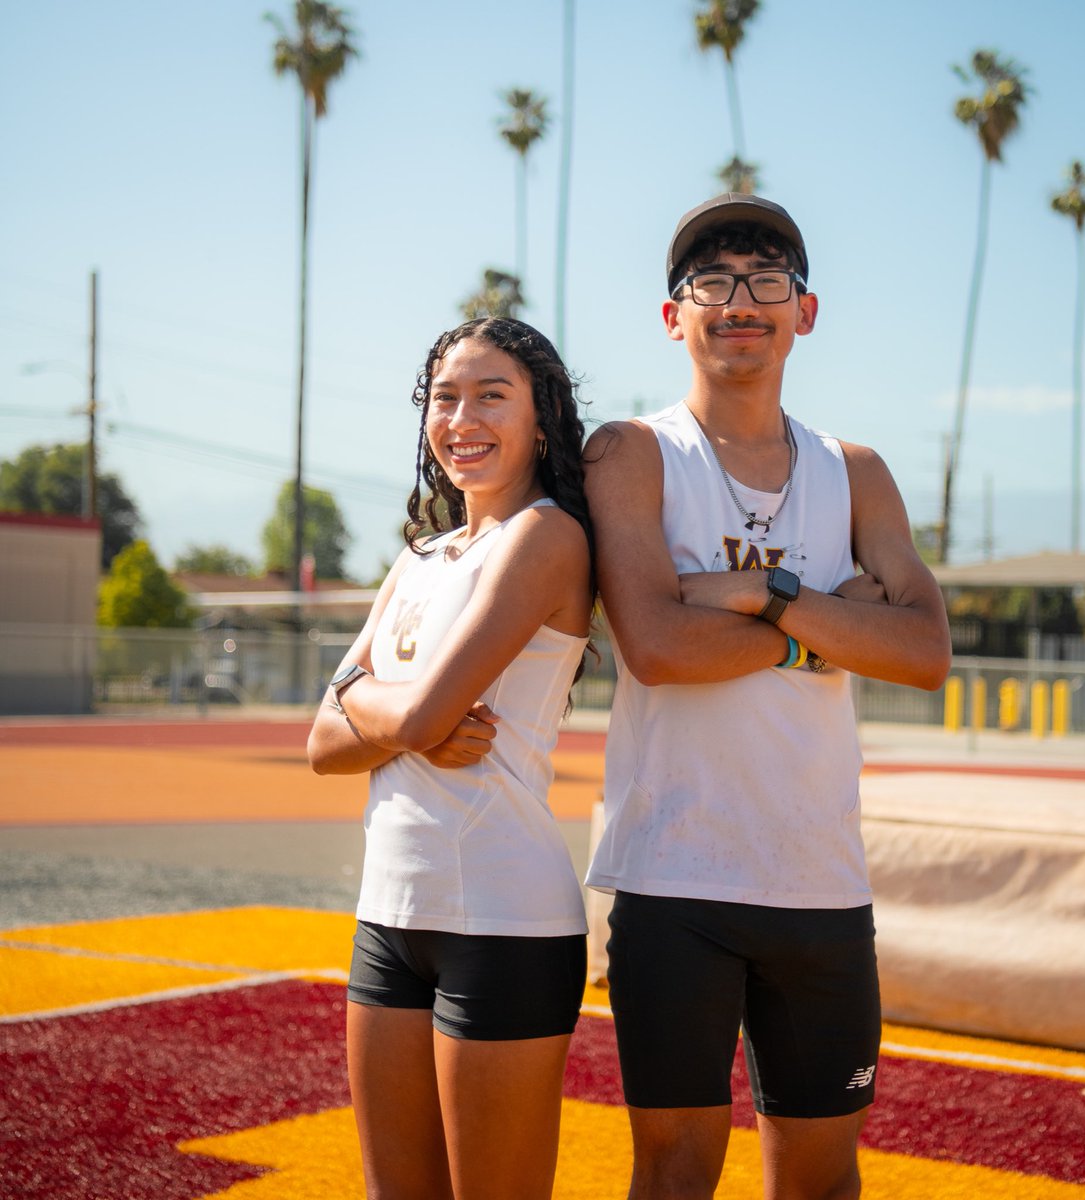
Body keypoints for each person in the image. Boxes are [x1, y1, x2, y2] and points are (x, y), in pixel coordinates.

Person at [583, 193, 952, 1200]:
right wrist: (826, 625)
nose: (738, 302)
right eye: (710, 282)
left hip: (821, 887)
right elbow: (654, 645)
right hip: (674, 881)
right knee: (672, 1175)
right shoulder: (629, 453)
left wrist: (758, 592)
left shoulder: (857, 472)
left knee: (824, 1181)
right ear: (674, 316)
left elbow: (921, 652)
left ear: (805, 310)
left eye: (765, 280)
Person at [307, 316, 594, 1200]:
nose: (462, 416)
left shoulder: (548, 539)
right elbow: (322, 744)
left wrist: (365, 699)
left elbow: (403, 708)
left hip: (505, 920)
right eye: (445, 397)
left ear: (543, 418)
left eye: (491, 395)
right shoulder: (419, 559)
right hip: (388, 915)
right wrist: (397, 717)